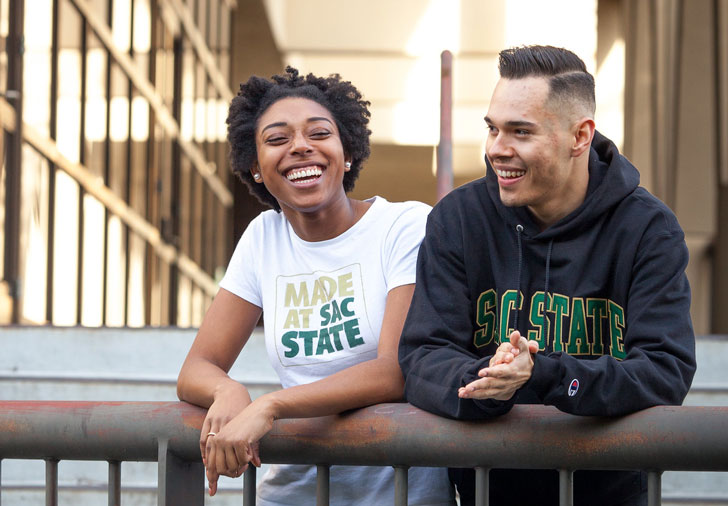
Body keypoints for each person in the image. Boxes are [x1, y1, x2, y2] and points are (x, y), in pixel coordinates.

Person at [398, 45, 697, 506]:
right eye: (493, 128)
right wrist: (488, 381)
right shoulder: (458, 218)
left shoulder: (648, 229)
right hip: (483, 491)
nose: (497, 149)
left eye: (520, 132)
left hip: (608, 494)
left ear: (580, 136)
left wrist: (543, 374)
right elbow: (422, 354)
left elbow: (665, 370)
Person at [177, 67, 454, 506]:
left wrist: (270, 406)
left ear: (346, 153)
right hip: (293, 493)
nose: (300, 147)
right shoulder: (263, 238)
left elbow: (395, 369)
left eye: (319, 133)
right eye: (276, 139)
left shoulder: (403, 226)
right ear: (255, 168)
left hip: (400, 492)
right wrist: (229, 391)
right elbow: (196, 368)